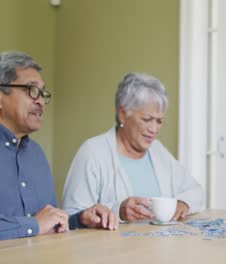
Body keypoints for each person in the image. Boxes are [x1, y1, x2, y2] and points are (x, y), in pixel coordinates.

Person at [0, 51, 117, 240]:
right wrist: (35, 225)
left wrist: (79, 220)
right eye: (31, 90)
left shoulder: (36, 155)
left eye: (42, 93)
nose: (39, 101)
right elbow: (38, 224)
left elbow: (47, 224)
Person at [62, 72, 204, 222]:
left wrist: (183, 203)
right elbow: (72, 216)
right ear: (123, 114)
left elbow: (196, 191)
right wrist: (118, 211)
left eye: (159, 121)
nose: (154, 129)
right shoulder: (92, 152)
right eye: (147, 119)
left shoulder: (157, 150)